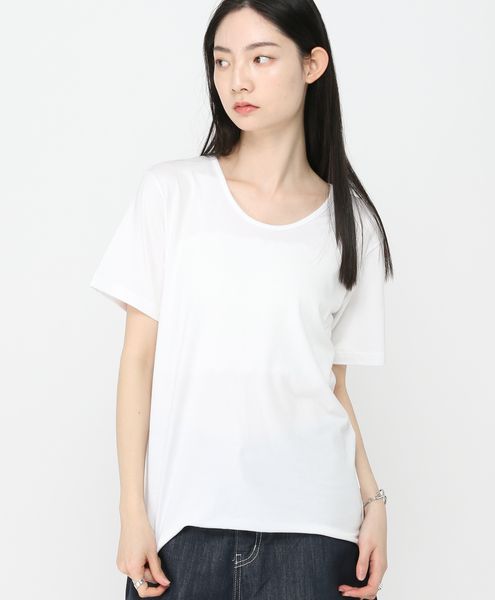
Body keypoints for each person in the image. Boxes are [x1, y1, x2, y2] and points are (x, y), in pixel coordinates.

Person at [89, 1, 394, 599]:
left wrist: (373, 501)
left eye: (261, 58)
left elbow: (332, 386)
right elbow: (138, 362)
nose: (237, 81)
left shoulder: (351, 222)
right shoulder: (172, 193)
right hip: (185, 529)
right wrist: (132, 510)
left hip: (317, 531)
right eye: (222, 61)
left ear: (312, 65)